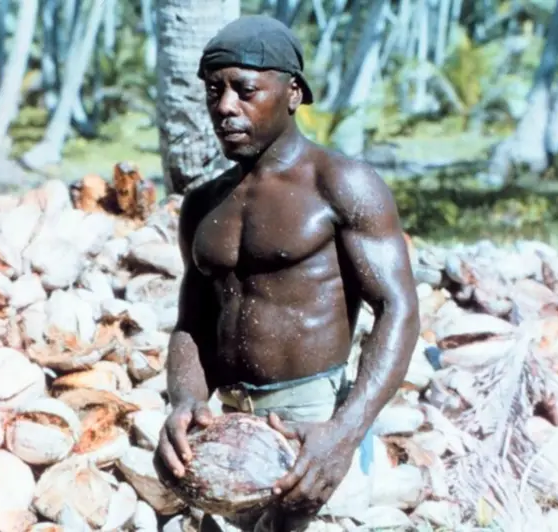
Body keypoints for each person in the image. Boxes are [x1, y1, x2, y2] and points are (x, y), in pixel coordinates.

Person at [154, 14, 421, 532]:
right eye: (214, 91)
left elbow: (399, 310)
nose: (225, 106)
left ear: (293, 92)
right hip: (228, 426)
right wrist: (185, 403)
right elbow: (193, 322)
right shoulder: (204, 204)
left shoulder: (341, 185)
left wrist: (344, 433)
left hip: (312, 417)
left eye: (244, 90)